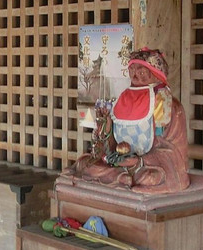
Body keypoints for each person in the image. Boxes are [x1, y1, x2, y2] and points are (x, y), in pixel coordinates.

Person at [66, 47, 190, 194]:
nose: (135, 75)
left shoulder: (168, 105)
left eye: (141, 71)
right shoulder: (123, 99)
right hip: (122, 162)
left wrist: (139, 162)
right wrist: (106, 128)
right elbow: (110, 145)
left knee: (149, 178)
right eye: (132, 69)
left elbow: (172, 151)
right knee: (84, 163)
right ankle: (123, 178)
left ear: (155, 74)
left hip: (152, 167)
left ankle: (124, 177)